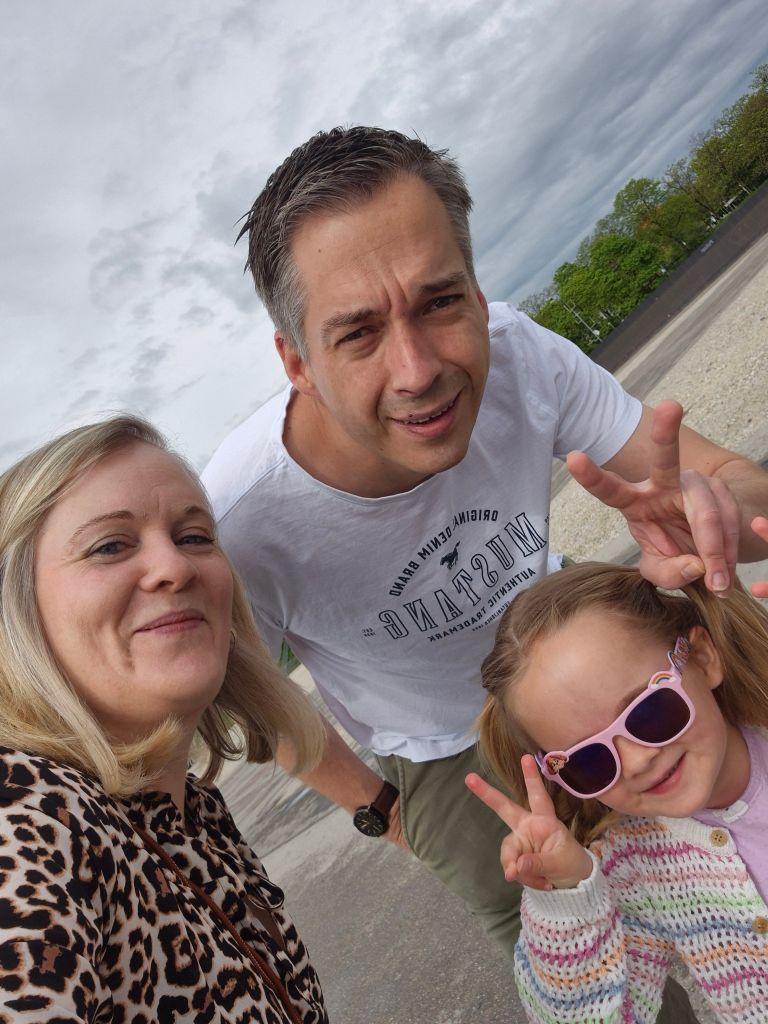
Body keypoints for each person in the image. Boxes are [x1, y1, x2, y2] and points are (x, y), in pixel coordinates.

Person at [201, 124, 768, 980]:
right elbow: (255, 697)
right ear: (297, 361)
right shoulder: (244, 519)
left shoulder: (521, 357)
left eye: (439, 302)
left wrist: (714, 506)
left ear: (476, 288)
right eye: (358, 333)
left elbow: (731, 478)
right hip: (441, 750)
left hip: (579, 663)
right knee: (574, 960)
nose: (417, 369)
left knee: (724, 870)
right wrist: (380, 807)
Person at [0, 416, 328, 1023]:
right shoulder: (28, 818)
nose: (175, 567)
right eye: (110, 546)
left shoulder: (191, 809)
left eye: (194, 536)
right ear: (18, 610)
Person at [467, 548, 768, 1022]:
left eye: (650, 710)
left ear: (702, 658)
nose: (637, 760)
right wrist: (569, 900)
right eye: (590, 761)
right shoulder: (634, 871)